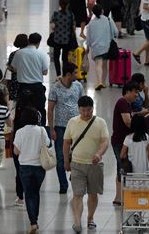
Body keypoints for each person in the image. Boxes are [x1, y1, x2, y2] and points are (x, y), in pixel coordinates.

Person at [63, 96, 109, 233]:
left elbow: (105, 142)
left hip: (95, 165)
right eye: (83, 110)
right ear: (78, 109)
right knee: (77, 194)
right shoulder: (72, 122)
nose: (86, 113)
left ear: (92, 109)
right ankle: (77, 222)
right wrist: (66, 160)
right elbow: (66, 143)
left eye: (88, 110)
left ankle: (90, 218)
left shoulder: (100, 123)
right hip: (77, 164)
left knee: (93, 194)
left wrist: (99, 154)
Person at [47, 62, 84, 194]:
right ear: (68, 74)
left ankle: (74, 178)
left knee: (76, 155)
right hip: (60, 127)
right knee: (61, 156)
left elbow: (83, 104)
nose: (77, 75)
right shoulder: (55, 88)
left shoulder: (78, 86)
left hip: (76, 126)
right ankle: (63, 184)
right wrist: (51, 129)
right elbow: (50, 109)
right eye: (75, 73)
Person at [13, 107, 50, 234]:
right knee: (36, 193)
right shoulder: (42, 130)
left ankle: (33, 222)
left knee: (28, 195)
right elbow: (48, 144)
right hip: (40, 167)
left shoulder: (20, 132)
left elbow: (16, 152)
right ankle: (35, 220)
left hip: (25, 167)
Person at [111, 82, 141, 205]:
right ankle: (120, 197)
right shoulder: (123, 102)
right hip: (120, 142)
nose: (137, 95)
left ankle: (120, 196)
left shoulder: (127, 104)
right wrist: (139, 123)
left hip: (123, 141)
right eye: (135, 92)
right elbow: (128, 122)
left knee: (122, 167)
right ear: (127, 91)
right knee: (123, 167)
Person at [10, 32, 49, 125]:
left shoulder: (19, 53)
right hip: (37, 87)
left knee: (20, 111)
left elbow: (13, 68)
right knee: (40, 110)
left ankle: (19, 131)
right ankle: (41, 129)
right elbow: (45, 72)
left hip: (23, 87)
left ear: (29, 41)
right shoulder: (42, 54)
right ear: (38, 43)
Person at [85, 5, 118, 90]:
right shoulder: (108, 20)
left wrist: (88, 47)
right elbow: (116, 32)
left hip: (96, 48)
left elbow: (88, 37)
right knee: (104, 65)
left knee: (98, 65)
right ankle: (103, 82)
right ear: (102, 11)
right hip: (107, 46)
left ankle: (99, 81)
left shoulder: (91, 24)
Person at [50, 0, 77, 76]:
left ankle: (58, 75)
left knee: (56, 58)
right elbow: (73, 27)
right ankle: (64, 74)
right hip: (67, 40)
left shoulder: (56, 14)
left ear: (59, 4)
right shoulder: (70, 15)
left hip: (57, 39)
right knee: (65, 59)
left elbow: (52, 26)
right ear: (68, 5)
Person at [7, 34, 29, 106]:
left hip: (16, 80)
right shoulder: (30, 54)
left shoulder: (13, 54)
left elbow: (11, 67)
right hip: (27, 79)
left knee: (15, 102)